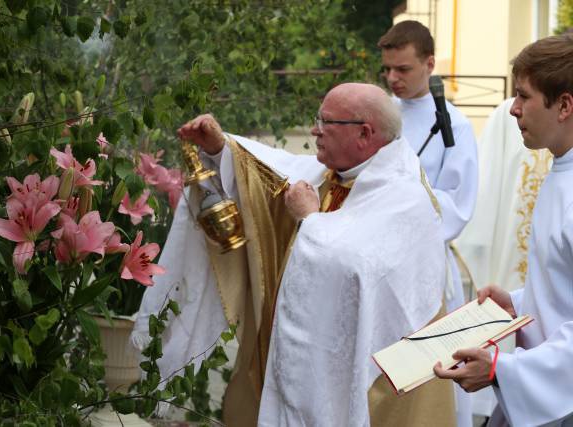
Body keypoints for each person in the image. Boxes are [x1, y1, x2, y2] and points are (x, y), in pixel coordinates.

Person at [132, 83, 455, 426]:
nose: (315, 129)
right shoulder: (331, 174)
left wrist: (309, 221)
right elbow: (271, 172)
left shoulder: (406, 195)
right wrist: (220, 148)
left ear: (364, 133)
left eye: (326, 121)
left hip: (373, 384)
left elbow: (357, 267)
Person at [434, 34, 573, 427]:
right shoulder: (561, 167)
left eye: (523, 96)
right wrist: (519, 301)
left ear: (564, 105)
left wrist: (501, 370)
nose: (512, 109)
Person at [378, 20, 479, 427]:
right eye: (387, 69)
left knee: (429, 372)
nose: (392, 78)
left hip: (424, 264)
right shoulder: (381, 116)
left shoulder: (454, 126)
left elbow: (457, 204)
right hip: (379, 263)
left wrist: (400, 207)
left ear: (430, 64)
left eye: (402, 69)